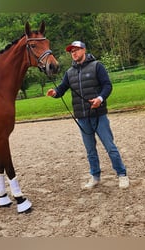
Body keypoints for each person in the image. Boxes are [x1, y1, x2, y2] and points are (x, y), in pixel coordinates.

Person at [46, 41, 129, 189]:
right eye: (72, 51)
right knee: (90, 150)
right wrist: (55, 93)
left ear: (84, 50)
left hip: (99, 115)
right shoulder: (69, 73)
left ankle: (122, 174)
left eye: (76, 50)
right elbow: (62, 89)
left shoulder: (97, 66)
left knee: (110, 147)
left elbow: (107, 85)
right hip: (82, 118)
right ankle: (95, 176)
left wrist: (100, 99)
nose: (74, 53)